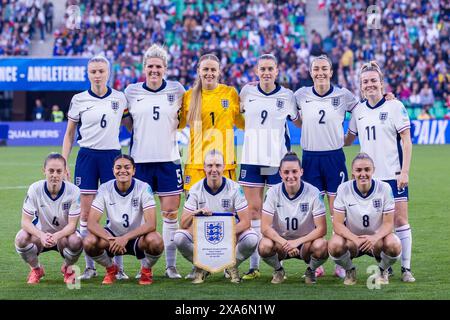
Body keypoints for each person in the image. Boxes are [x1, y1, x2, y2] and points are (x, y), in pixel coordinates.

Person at [294, 54, 371, 279]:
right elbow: (295, 118)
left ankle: (340, 259)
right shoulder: (301, 94)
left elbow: (361, 111)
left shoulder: (343, 95)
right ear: (311, 72)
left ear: (331, 72)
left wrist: (348, 138)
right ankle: (315, 261)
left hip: (334, 157)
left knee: (338, 211)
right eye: (316, 68)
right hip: (309, 158)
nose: (320, 72)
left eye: (324, 68)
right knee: (312, 213)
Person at [345, 61, 415, 282]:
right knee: (376, 226)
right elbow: (348, 139)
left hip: (393, 175)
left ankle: (406, 269)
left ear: (382, 83)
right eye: (365, 82)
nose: (370, 84)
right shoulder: (358, 110)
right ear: (360, 86)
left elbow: (406, 141)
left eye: (374, 80)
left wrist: (404, 172)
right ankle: (386, 265)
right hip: (368, 179)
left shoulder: (395, 106)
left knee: (400, 220)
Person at [62, 55, 128, 280]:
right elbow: (70, 134)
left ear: (108, 73)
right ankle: (90, 267)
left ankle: (118, 268)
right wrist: (63, 161)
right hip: (87, 156)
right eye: (93, 72)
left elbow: (133, 124)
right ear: (88, 74)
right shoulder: (79, 99)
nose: (97, 75)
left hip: (112, 156)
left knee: (115, 214)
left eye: (101, 71)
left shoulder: (120, 98)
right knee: (86, 215)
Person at [179, 53, 245, 279]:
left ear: (219, 72)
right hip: (196, 165)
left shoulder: (230, 93)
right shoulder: (189, 97)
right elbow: (175, 124)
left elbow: (244, 122)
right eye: (205, 69)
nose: (209, 73)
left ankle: (227, 262)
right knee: (194, 219)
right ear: (198, 71)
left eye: (213, 70)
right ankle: (201, 263)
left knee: (228, 217)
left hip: (224, 164)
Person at [124, 44, 185, 279]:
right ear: (144, 68)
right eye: (150, 66)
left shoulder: (177, 90)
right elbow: (127, 122)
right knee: (136, 216)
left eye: (158, 66)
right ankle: (137, 267)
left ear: (165, 68)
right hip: (140, 162)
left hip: (169, 161)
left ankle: (170, 266)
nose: (154, 70)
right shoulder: (131, 91)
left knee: (170, 214)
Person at [238, 54, 301, 280]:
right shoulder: (246, 92)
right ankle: (254, 266)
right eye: (262, 69)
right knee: (253, 212)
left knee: (276, 214)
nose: (266, 72)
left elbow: (299, 121)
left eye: (270, 69)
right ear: (257, 71)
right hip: (252, 159)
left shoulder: (287, 96)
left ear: (277, 71)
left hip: (277, 161)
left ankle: (279, 262)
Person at [174, 150, 258, 284]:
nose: (214, 170)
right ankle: (202, 265)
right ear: (204, 167)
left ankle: (231, 265)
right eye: (210, 166)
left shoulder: (235, 188)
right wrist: (196, 211)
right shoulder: (195, 189)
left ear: (224, 166)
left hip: (230, 235)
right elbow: (183, 223)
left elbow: (246, 222)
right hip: (204, 235)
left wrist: (225, 234)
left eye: (218, 165)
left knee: (252, 239)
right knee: (179, 237)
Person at [83, 154, 164, 285]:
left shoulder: (143, 187)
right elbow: (91, 223)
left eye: (127, 167)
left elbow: (151, 224)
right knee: (89, 242)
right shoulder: (105, 188)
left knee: (156, 241)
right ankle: (111, 269)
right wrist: (111, 239)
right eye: (118, 167)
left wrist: (125, 238)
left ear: (134, 170)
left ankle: (146, 270)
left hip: (137, 237)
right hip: (112, 237)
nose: (122, 171)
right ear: (113, 170)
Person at [328, 153, 402, 285]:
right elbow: (337, 224)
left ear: (373, 170)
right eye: (358, 170)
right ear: (353, 172)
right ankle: (350, 270)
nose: (363, 174)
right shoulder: (343, 189)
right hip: (352, 241)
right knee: (334, 245)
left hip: (377, 240)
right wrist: (355, 239)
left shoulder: (384, 188)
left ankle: (382, 270)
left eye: (367, 169)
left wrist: (374, 238)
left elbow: (389, 224)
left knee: (394, 244)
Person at [259, 152, 328, 284]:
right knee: (264, 246)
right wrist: (285, 243)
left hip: (305, 244)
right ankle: (278, 269)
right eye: (286, 172)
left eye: (294, 171)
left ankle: (311, 270)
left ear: (301, 172)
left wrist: (297, 242)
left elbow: (322, 229)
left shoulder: (313, 192)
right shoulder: (273, 192)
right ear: (280, 173)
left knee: (322, 245)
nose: (290, 176)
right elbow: (265, 227)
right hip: (281, 243)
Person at [14, 153, 82, 284]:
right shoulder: (35, 188)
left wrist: (56, 236)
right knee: (21, 238)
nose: (55, 175)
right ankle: (36, 269)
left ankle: (68, 269)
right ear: (44, 170)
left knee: (76, 241)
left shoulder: (74, 191)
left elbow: (72, 225)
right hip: (40, 236)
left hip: (63, 236)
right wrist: (41, 235)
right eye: (51, 170)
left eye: (59, 171)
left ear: (65, 172)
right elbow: (25, 222)